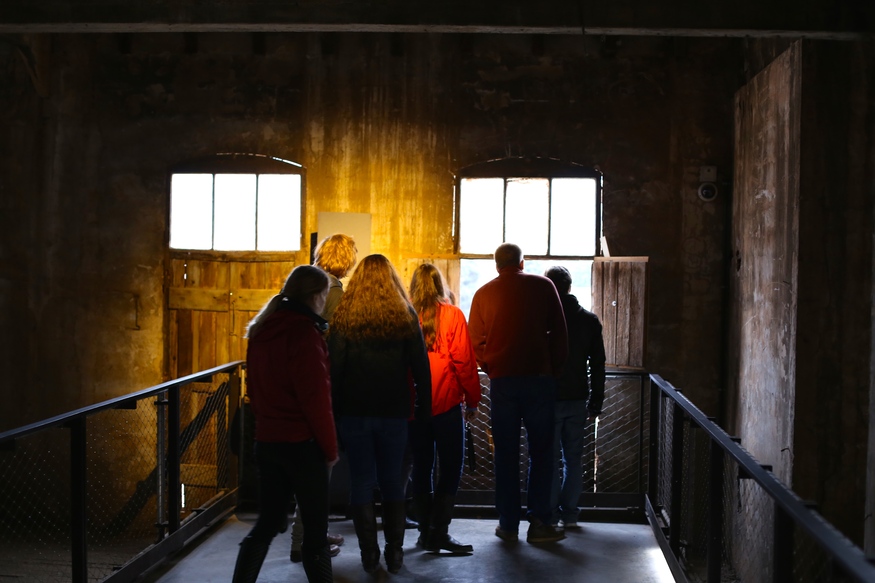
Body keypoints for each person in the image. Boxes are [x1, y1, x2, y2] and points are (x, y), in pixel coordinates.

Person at [231, 265, 338, 583]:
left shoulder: (262, 329)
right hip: (303, 446)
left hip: (268, 441)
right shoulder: (304, 333)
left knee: (267, 523)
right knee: (316, 532)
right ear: (316, 296)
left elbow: (255, 391)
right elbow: (316, 400)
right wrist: (330, 449)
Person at [329, 254, 432, 574]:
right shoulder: (404, 313)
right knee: (391, 483)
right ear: (392, 280)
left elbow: (334, 369)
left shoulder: (345, 314)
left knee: (361, 482)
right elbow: (420, 368)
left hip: (354, 412)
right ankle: (395, 552)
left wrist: (333, 416)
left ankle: (368, 553)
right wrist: (424, 409)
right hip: (393, 412)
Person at [467, 243, 568, 544]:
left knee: (506, 454)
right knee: (542, 453)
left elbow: (475, 342)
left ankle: (508, 524)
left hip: (503, 383)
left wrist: (492, 365)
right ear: (523, 263)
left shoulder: (483, 294)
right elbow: (561, 336)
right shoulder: (544, 286)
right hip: (539, 380)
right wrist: (553, 370)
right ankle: (539, 523)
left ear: (497, 265)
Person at [289, 233, 357, 563]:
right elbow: (337, 338)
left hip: (292, 387)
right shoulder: (335, 288)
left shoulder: (302, 278)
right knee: (318, 467)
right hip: (321, 381)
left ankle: (310, 534)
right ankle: (304, 541)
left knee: (307, 467)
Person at [408, 263, 481, 554]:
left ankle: (425, 531)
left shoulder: (405, 315)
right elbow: (464, 362)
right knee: (451, 467)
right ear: (440, 285)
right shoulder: (452, 315)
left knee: (422, 468)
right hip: (447, 404)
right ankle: (439, 531)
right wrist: (473, 399)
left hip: (414, 407)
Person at [543, 266, 606, 529]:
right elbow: (598, 365)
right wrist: (596, 402)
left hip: (547, 399)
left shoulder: (542, 320)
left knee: (547, 460)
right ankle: (569, 515)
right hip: (578, 399)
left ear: (549, 287)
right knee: (573, 459)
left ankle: (549, 515)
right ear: (569, 287)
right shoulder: (589, 321)